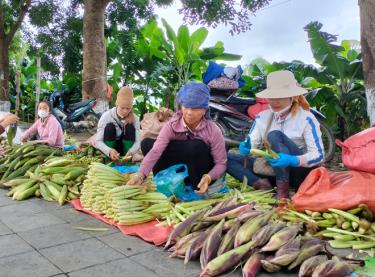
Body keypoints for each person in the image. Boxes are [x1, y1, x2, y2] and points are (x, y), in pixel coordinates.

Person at [226, 70, 324, 199]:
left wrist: (294, 160)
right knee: (224, 158)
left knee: (275, 135)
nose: (275, 101)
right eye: (272, 97)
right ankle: (259, 183)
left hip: (298, 174)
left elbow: (319, 155)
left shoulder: (306, 118)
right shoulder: (262, 117)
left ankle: (282, 193)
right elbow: (252, 143)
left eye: (281, 96)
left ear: (292, 96)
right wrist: (247, 146)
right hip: (270, 170)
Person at [127, 82, 227, 195]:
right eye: (186, 106)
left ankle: (196, 185)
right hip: (181, 167)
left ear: (204, 110)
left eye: (195, 108)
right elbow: (156, 151)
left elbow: (221, 164)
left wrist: (209, 177)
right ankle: (167, 181)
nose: (189, 112)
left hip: (201, 170)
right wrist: (141, 175)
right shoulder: (172, 126)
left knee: (197, 145)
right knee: (147, 144)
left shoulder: (213, 130)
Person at [95, 86, 140, 161]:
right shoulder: (106, 116)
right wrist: (109, 151)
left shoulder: (135, 118)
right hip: (110, 148)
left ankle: (127, 161)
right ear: (117, 105)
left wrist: (131, 151)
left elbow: (138, 142)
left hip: (126, 150)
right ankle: (109, 160)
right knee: (110, 127)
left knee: (130, 127)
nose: (125, 111)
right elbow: (98, 142)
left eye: (128, 108)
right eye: (122, 108)